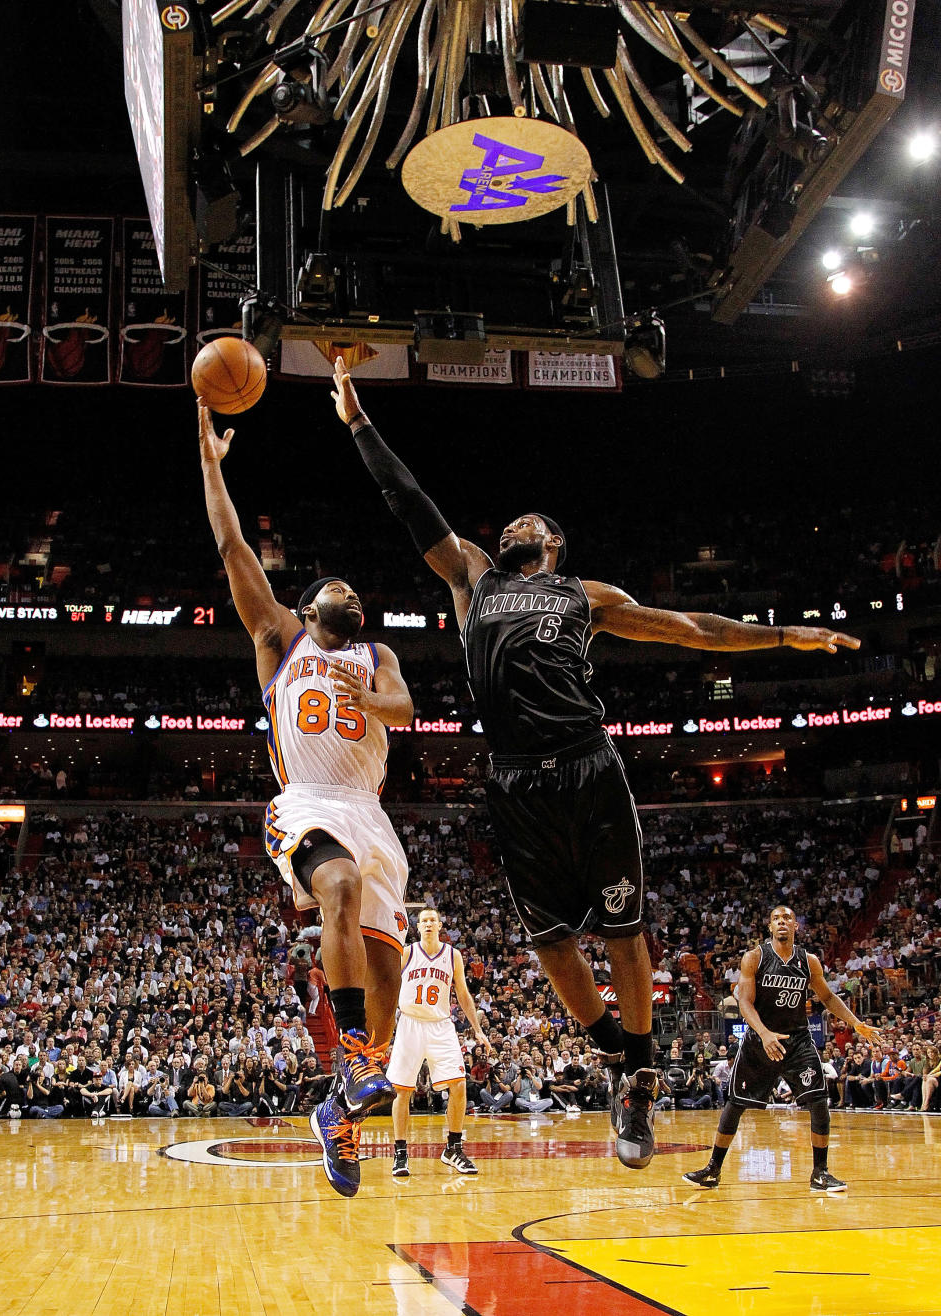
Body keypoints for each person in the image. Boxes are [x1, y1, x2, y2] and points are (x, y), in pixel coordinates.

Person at [332, 359, 861, 1171]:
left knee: (624, 934)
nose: (517, 524)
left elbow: (689, 628)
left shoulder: (586, 595)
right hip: (513, 779)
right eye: (513, 521)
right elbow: (411, 505)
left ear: (552, 546)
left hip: (588, 766)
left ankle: (639, 1085)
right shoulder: (472, 575)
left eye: (531, 523)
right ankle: (627, 1061)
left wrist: (784, 637)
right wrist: (361, 422)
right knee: (550, 948)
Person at [198, 398, 415, 1198]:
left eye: (358, 593)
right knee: (339, 887)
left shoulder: (376, 653)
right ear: (310, 603)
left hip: (373, 814)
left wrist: (378, 701)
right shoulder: (279, 639)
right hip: (309, 801)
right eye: (338, 587)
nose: (351, 595)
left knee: (390, 984)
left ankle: (341, 1113)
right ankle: (350, 1051)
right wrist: (212, 465)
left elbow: (404, 708)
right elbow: (230, 546)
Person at [683, 906, 882, 1194]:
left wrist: (856, 1023)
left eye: (787, 918)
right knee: (735, 1104)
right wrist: (764, 1034)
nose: (782, 922)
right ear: (770, 926)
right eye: (776, 918)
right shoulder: (755, 958)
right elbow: (745, 1003)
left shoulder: (808, 961)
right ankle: (713, 1169)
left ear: (796, 926)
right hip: (759, 1041)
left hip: (798, 1040)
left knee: (819, 1102)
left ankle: (820, 1173)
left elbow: (826, 996)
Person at [388, 908, 490, 1178]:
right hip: (410, 1022)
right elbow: (387, 986)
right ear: (417, 927)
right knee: (402, 1090)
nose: (429, 924)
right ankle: (400, 1154)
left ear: (440, 925)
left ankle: (453, 1149)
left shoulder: (452, 955)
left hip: (441, 1025)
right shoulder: (407, 953)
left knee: (458, 1084)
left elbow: (464, 994)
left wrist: (477, 1029)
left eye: (433, 920)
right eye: (424, 921)